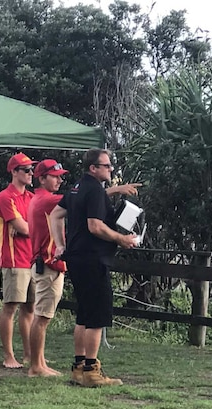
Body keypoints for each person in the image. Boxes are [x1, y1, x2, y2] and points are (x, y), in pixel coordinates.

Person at [48, 149, 139, 387]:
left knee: (84, 314)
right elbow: (95, 226)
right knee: (97, 315)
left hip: (77, 258)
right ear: (93, 168)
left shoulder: (79, 187)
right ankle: (91, 370)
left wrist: (60, 244)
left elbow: (56, 214)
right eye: (107, 166)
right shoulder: (94, 190)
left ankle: (78, 367)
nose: (110, 169)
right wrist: (122, 239)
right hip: (93, 258)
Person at [26, 159, 68, 377]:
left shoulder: (38, 199)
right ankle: (36, 367)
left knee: (40, 315)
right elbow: (79, 200)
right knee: (42, 317)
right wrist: (115, 189)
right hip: (48, 264)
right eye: (55, 176)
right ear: (41, 178)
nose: (60, 180)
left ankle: (39, 362)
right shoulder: (46, 200)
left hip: (43, 263)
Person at [0, 152, 36, 369]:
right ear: (14, 172)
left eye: (31, 170)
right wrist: (23, 226)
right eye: (26, 170)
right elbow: (23, 227)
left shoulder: (31, 198)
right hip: (14, 259)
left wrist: (26, 227)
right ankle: (9, 355)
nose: (31, 174)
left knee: (30, 308)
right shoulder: (5, 197)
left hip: (32, 258)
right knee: (10, 307)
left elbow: (34, 225)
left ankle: (30, 355)